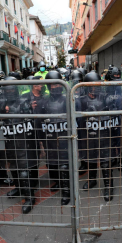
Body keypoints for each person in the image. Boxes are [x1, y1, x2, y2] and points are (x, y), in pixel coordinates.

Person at [0, 77, 38, 213]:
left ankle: (29, 197)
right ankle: (19, 188)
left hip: (22, 141)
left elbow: (30, 119)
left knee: (23, 170)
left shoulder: (24, 101)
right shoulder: (0, 103)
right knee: (13, 168)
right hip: (8, 141)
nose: (9, 91)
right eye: (6, 89)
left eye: (11, 89)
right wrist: (2, 111)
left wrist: (17, 111)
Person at [76, 72, 118, 201]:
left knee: (105, 162)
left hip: (104, 134)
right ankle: (92, 180)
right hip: (88, 135)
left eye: (97, 85)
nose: (95, 88)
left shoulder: (106, 98)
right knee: (90, 159)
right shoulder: (80, 100)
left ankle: (108, 187)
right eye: (93, 86)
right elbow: (76, 118)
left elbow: (114, 116)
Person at [39, 71, 70, 205]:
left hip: (64, 137)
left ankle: (67, 191)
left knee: (64, 165)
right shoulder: (44, 101)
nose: (55, 87)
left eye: (57, 84)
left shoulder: (67, 99)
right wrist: (42, 139)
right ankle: (58, 183)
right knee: (53, 163)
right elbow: (39, 122)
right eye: (52, 84)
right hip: (50, 138)